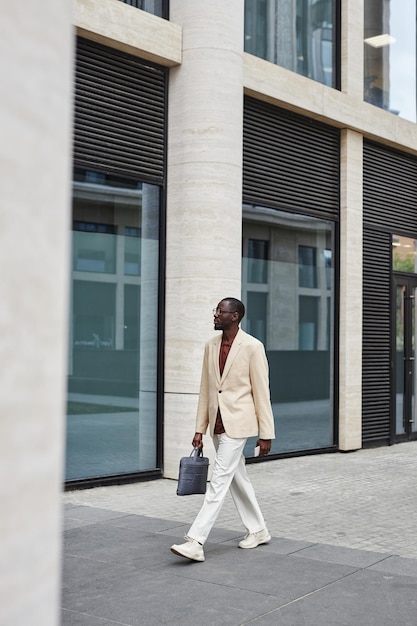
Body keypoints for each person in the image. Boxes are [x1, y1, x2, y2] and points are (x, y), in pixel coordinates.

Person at [171, 297, 275, 562]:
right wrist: (199, 429)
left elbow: (262, 392)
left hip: (238, 424)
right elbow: (207, 389)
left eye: (221, 311)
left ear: (235, 316)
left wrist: (266, 433)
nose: (215, 315)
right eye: (216, 310)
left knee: (218, 482)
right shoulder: (210, 346)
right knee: (237, 478)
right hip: (216, 424)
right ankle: (259, 530)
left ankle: (195, 541)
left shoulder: (253, 347)